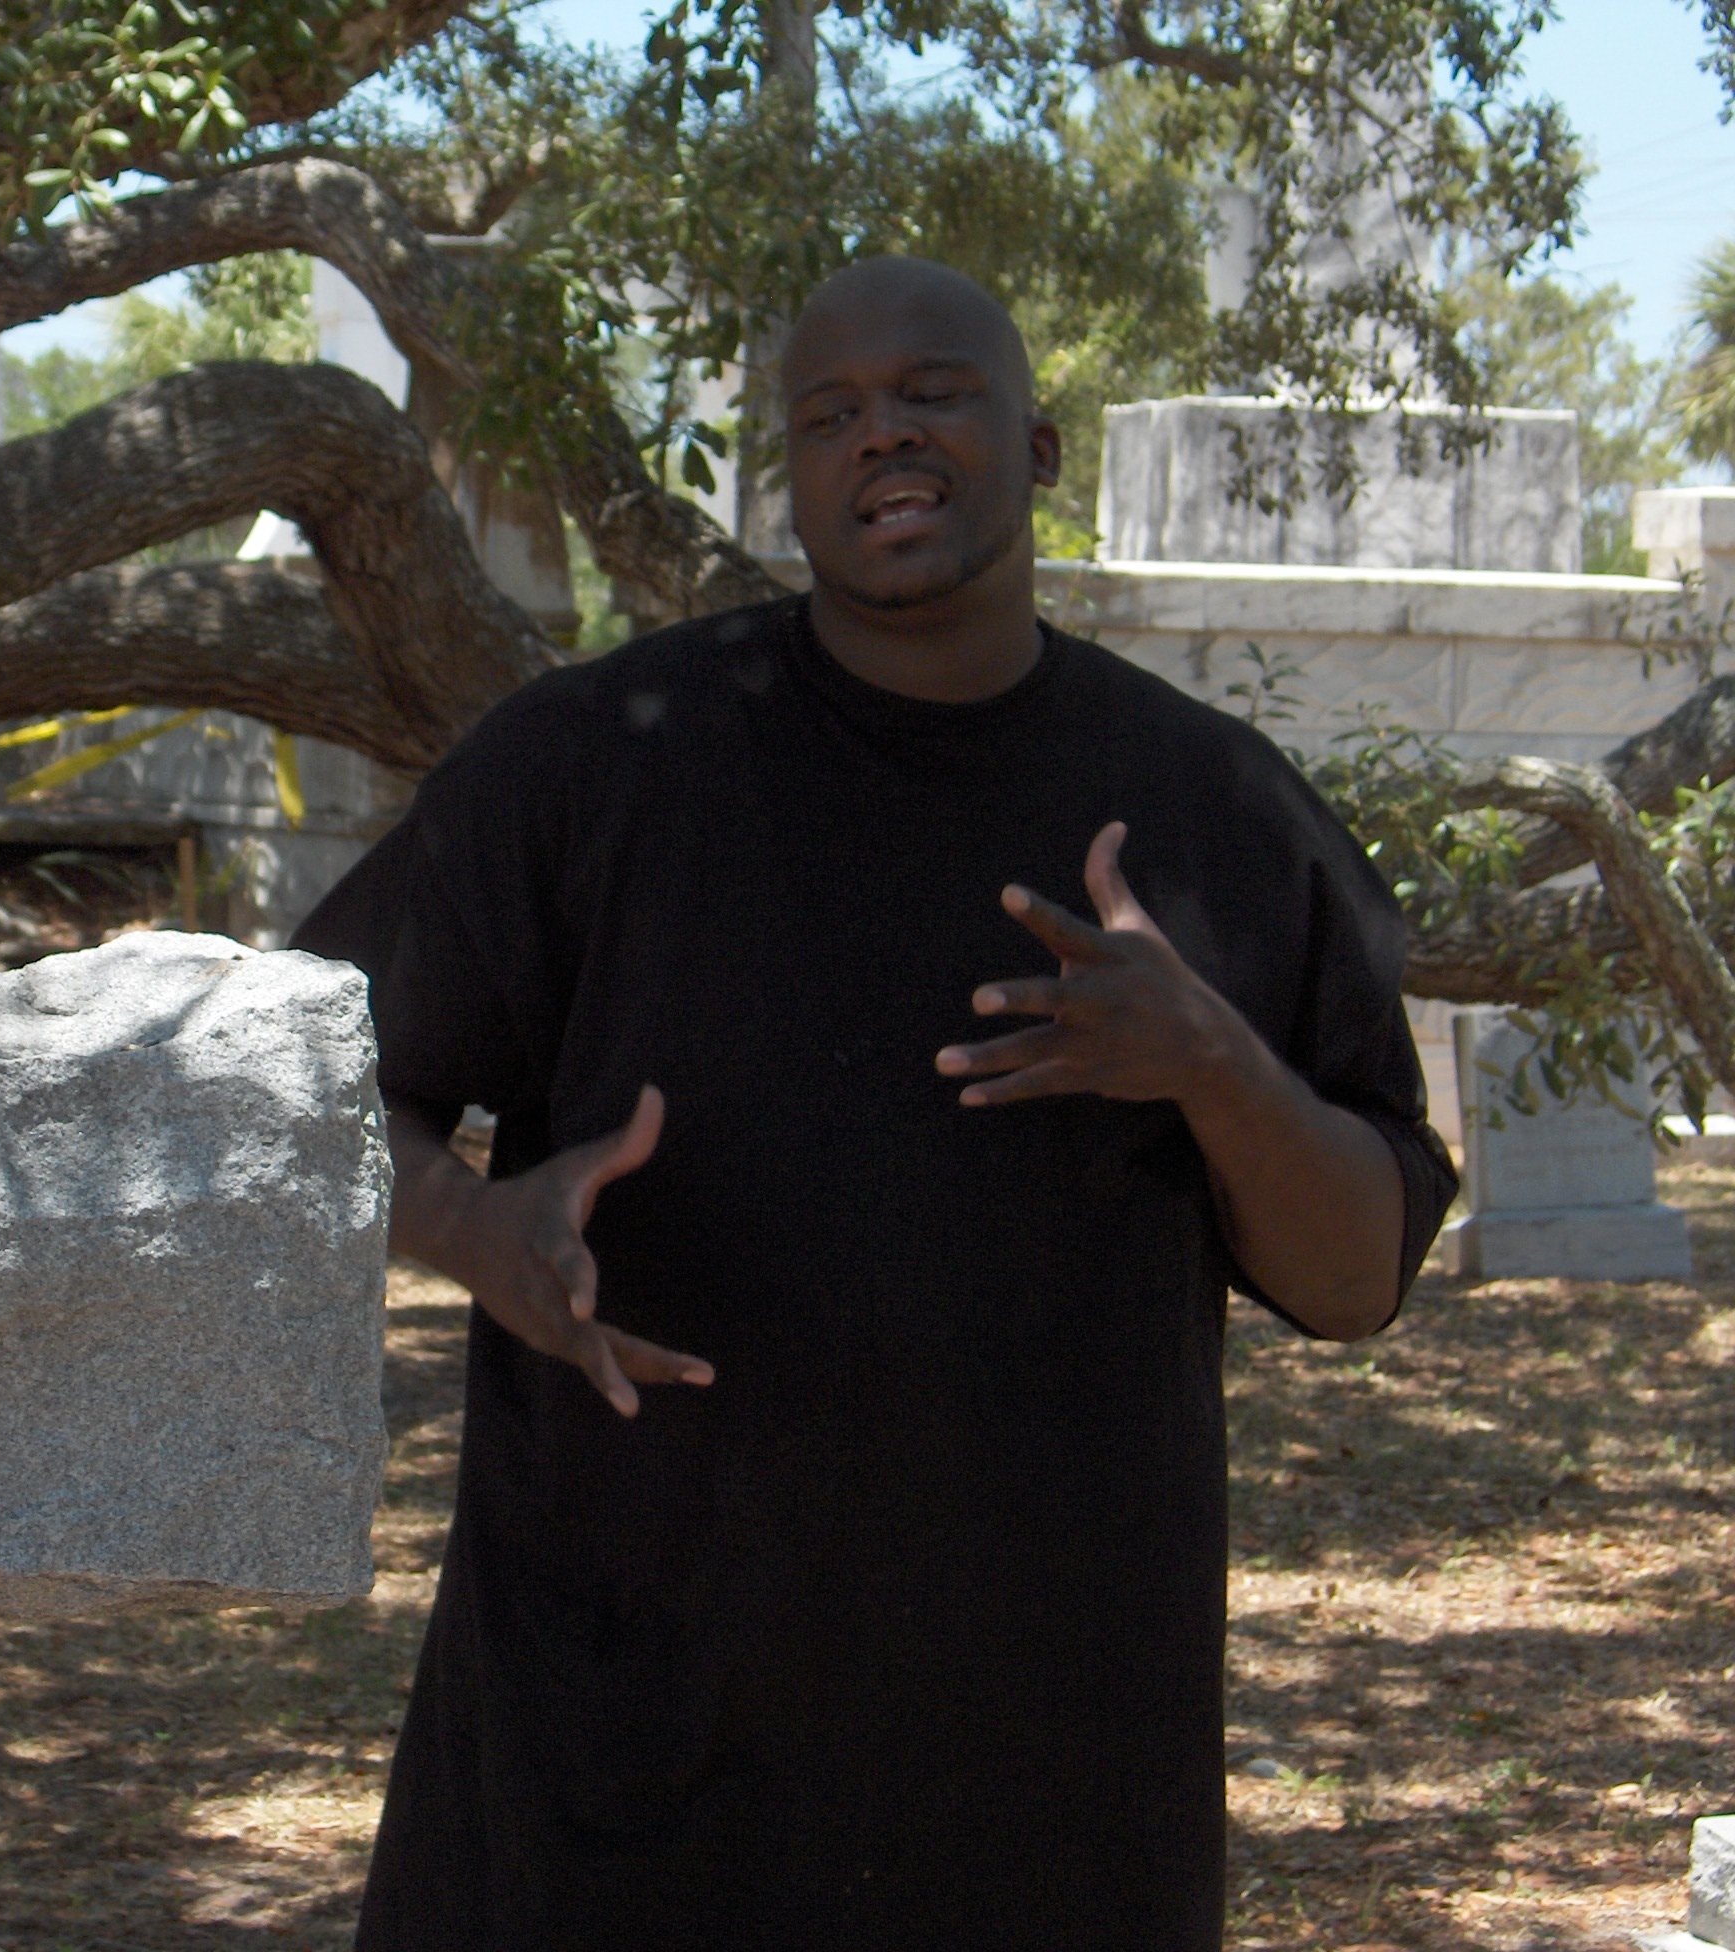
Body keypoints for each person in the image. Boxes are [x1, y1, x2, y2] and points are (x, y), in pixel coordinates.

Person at [292, 256, 1458, 1951]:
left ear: (1039, 446)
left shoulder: (1217, 812)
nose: (880, 437)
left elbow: (1356, 1282)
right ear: (789, 478)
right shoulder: (592, 767)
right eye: (829, 414)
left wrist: (1211, 1061)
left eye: (931, 394)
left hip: (1050, 1797)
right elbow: (300, 1083)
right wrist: (477, 1231)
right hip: (610, 1771)